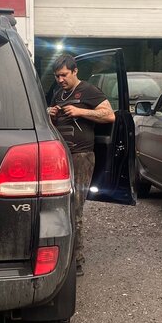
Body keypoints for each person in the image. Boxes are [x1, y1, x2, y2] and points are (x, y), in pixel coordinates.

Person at [47, 54, 115, 276]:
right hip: (59, 157)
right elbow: (51, 123)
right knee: (56, 207)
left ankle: (76, 262)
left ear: (75, 71)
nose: (60, 80)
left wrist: (80, 111)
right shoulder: (58, 93)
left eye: (64, 75)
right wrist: (51, 114)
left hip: (81, 157)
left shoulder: (89, 90)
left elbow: (109, 115)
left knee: (74, 208)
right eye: (56, 76)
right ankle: (59, 255)